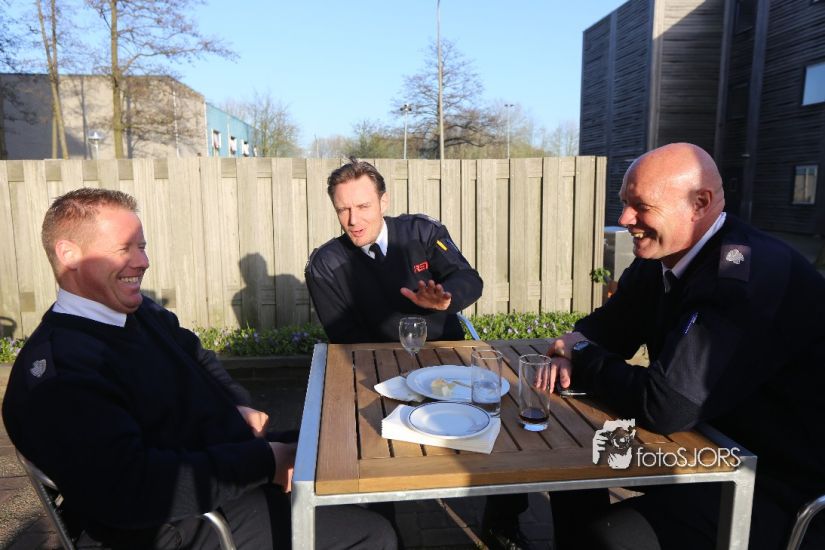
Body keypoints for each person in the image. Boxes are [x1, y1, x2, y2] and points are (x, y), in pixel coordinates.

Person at [2, 188, 396, 550]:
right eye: (124, 249)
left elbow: (199, 358)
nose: (142, 261)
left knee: (355, 454)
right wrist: (266, 463)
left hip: (219, 461)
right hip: (173, 524)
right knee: (372, 535)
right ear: (69, 254)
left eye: (142, 247)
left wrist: (237, 405)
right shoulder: (63, 374)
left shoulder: (137, 314)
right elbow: (131, 490)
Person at [544, 143, 825, 550]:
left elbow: (666, 404)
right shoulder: (663, 257)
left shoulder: (742, 275)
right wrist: (577, 349)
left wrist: (582, 355)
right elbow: (608, 330)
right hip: (708, 444)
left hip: (781, 480)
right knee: (568, 465)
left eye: (641, 206)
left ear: (700, 204)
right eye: (624, 203)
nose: (624, 219)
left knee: (608, 537)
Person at [305, 158, 528, 550]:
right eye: (343, 209)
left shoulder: (422, 233)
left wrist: (446, 299)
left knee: (502, 427)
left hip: (448, 356)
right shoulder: (326, 265)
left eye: (363, 206)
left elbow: (468, 278)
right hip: (376, 370)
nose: (353, 220)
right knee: (370, 450)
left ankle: (502, 524)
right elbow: (346, 339)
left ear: (384, 201)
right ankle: (386, 535)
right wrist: (395, 377)